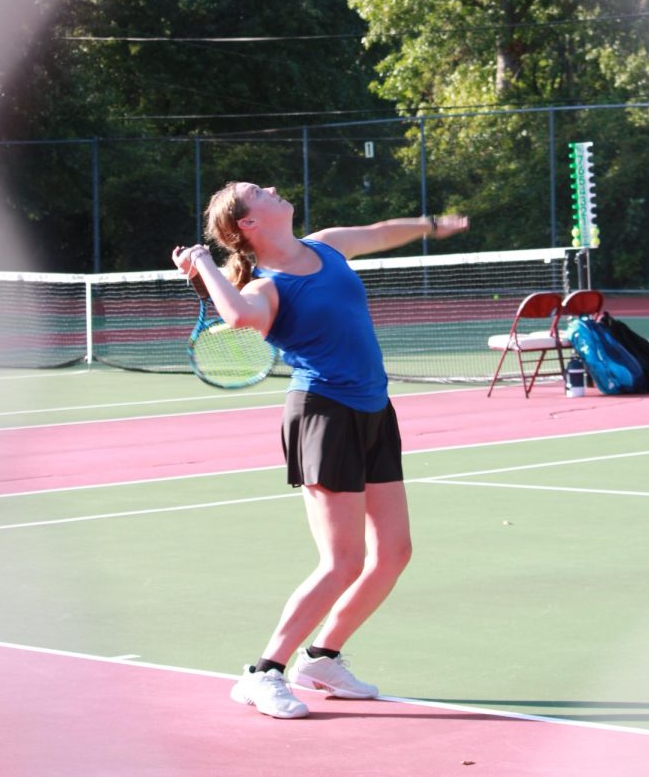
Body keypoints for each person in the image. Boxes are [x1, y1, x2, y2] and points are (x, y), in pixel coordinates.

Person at [173, 181, 469, 719]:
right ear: (248, 224)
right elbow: (238, 317)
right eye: (258, 191)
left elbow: (379, 233)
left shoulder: (327, 245)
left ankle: (322, 658)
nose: (273, 188)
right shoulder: (266, 289)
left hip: (375, 410)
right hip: (323, 416)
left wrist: (431, 224)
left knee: (394, 553)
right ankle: (262, 672)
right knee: (342, 561)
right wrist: (204, 266)